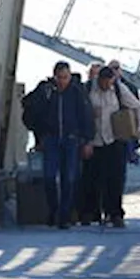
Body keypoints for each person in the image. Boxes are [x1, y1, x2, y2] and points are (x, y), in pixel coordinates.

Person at [21, 61, 95, 229]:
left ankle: (64, 215)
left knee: (69, 178)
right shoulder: (46, 91)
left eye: (66, 77)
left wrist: (87, 140)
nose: (63, 81)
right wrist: (40, 136)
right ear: (55, 76)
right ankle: (53, 209)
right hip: (52, 140)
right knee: (49, 177)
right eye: (60, 77)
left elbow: (86, 116)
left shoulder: (77, 91)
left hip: (71, 140)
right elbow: (30, 110)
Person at [80, 66, 140, 228]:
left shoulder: (118, 89)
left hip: (114, 139)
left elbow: (137, 107)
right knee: (91, 178)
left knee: (115, 178)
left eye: (109, 83)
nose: (106, 86)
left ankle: (114, 213)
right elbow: (78, 113)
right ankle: (90, 212)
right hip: (94, 140)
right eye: (104, 83)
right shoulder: (88, 89)